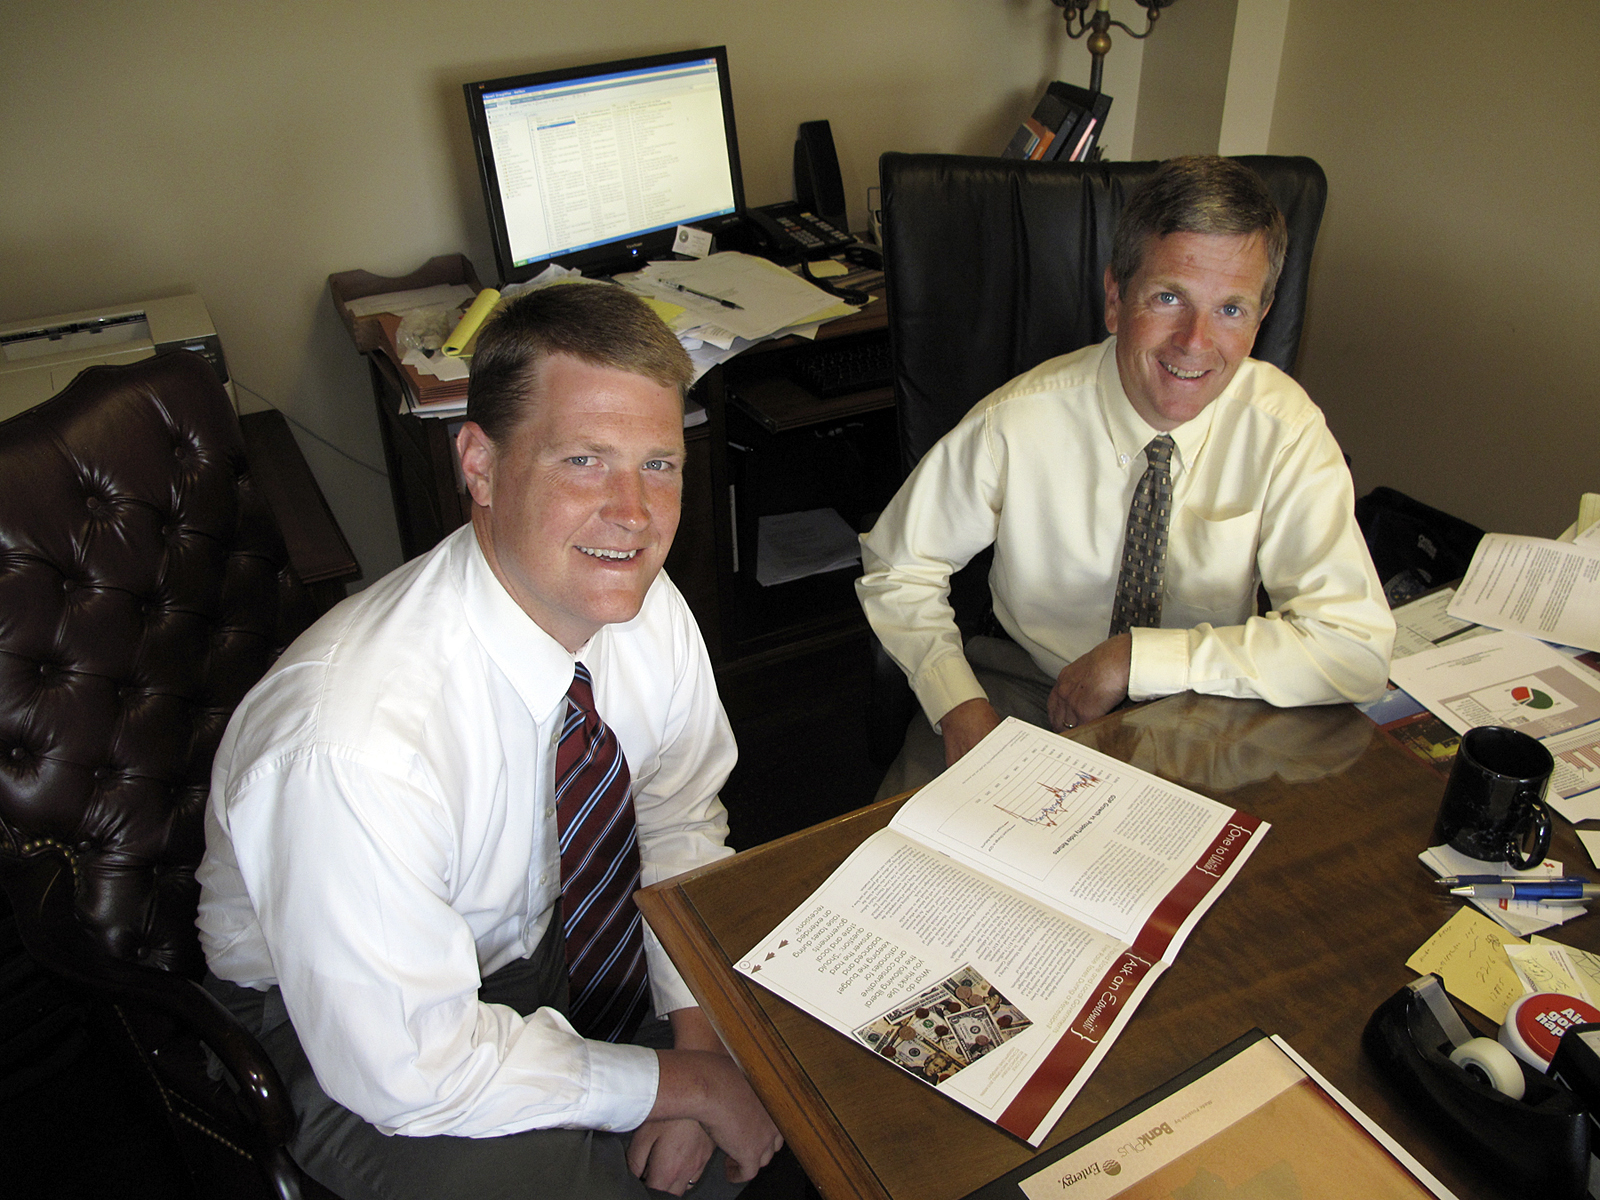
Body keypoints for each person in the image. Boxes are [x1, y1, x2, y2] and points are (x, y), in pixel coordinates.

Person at [196, 283, 781, 1200]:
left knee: (786, 1082)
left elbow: (673, 820)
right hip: (348, 1016)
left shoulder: (641, 606)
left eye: (659, 464)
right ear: (479, 462)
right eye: (584, 460)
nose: (633, 513)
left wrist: (696, 1046)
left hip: (542, 928)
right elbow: (409, 1064)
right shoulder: (352, 744)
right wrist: (679, 1084)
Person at [858, 156, 1395, 796]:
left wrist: (1138, 658)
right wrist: (956, 702)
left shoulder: (1284, 430)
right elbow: (897, 566)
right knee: (907, 866)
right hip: (1028, 684)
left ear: (1263, 316)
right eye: (1169, 298)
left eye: (1231, 308)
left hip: (1206, 708)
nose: (1195, 342)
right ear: (1116, 298)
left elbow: (1356, 651)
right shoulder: (1018, 420)